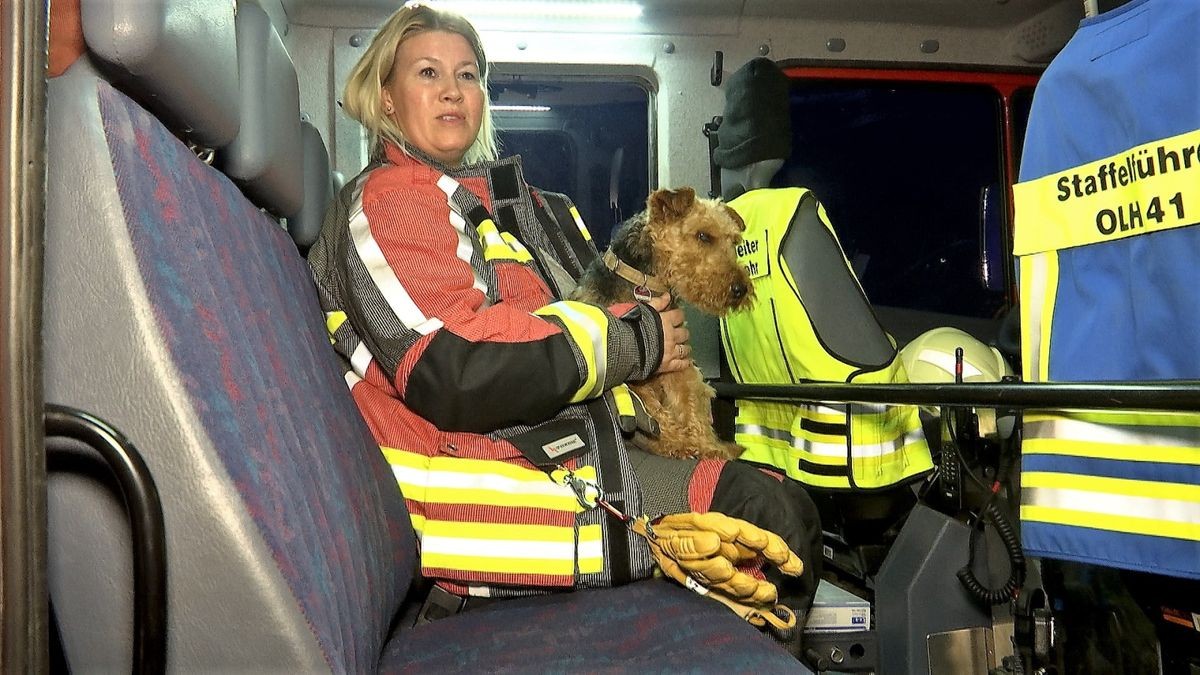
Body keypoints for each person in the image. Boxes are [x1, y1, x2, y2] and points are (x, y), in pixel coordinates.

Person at [306, 1, 821, 653]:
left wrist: (642, 370)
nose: (451, 91)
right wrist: (638, 342)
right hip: (490, 499)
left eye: (467, 76)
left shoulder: (477, 206)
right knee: (773, 516)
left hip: (549, 450)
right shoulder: (392, 199)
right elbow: (458, 367)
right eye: (427, 73)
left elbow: (538, 328)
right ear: (385, 97)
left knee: (782, 506)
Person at [713, 58, 934, 557]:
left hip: (777, 455)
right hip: (860, 459)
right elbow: (866, 356)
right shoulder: (793, 211)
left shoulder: (726, 230)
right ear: (778, 143)